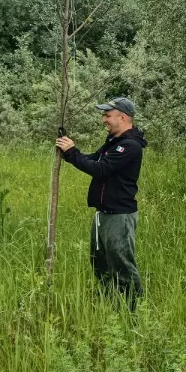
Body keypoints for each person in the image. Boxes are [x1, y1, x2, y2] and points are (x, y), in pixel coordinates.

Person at [55, 97, 148, 311]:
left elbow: (101, 169)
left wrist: (72, 152)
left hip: (120, 215)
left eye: (107, 115)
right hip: (103, 213)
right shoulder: (113, 142)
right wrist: (68, 151)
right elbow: (92, 160)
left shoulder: (130, 146)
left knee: (122, 264)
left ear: (123, 117)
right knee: (100, 262)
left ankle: (133, 310)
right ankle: (108, 304)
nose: (103, 119)